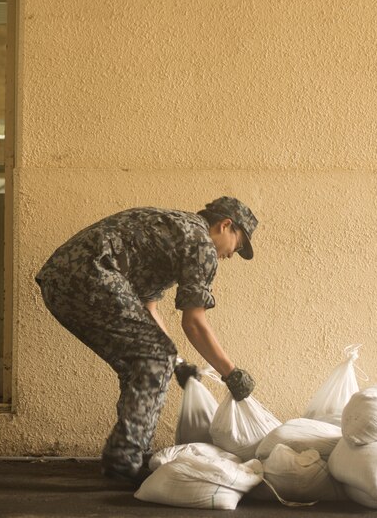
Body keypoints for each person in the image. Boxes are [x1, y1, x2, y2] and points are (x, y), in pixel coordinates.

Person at [35, 196, 258, 484]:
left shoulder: (172, 230)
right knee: (153, 358)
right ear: (226, 225)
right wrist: (231, 372)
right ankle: (125, 457)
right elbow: (194, 323)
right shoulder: (201, 243)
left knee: (143, 361)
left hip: (59, 284)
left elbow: (147, 308)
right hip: (92, 276)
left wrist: (175, 361)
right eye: (237, 246)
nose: (230, 255)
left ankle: (134, 456)